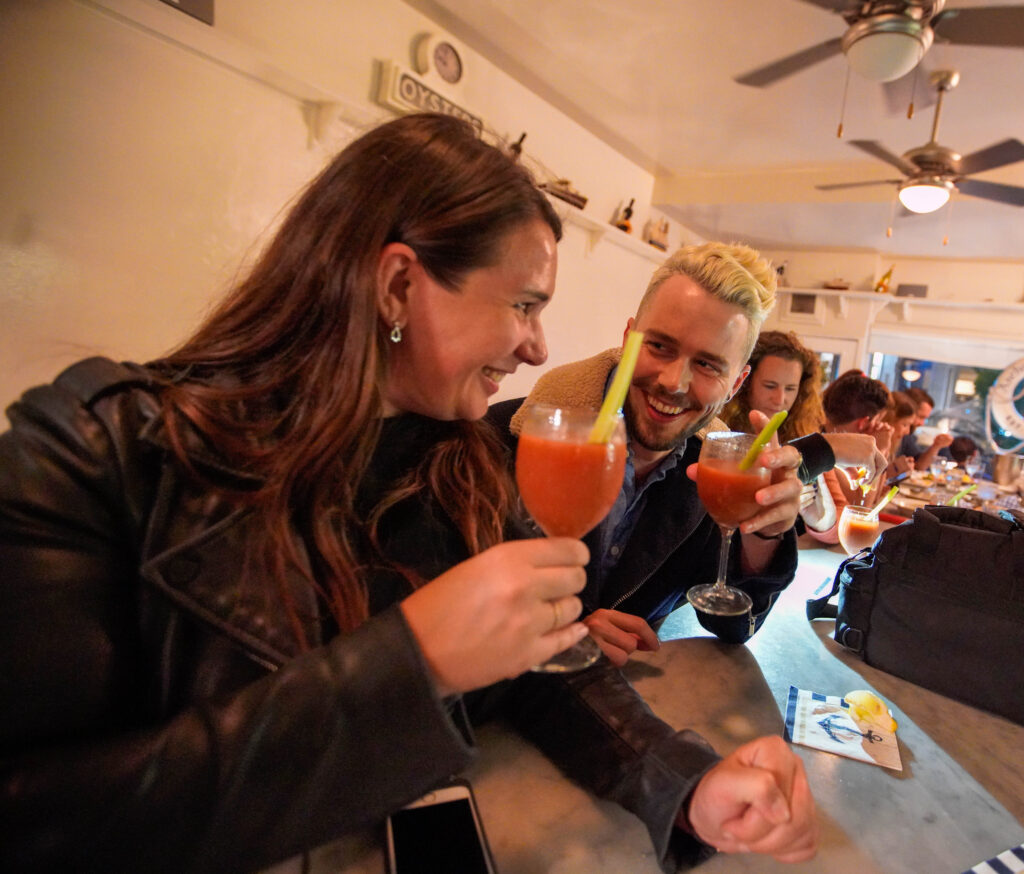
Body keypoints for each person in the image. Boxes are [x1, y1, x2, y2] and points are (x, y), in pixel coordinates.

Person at [0, 115, 817, 872]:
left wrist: (686, 786)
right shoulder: (93, 452)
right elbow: (35, 816)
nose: (537, 347)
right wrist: (411, 660)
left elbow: (548, 672)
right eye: (525, 306)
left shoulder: (461, 467)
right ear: (397, 287)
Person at [491, 243, 821, 665]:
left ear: (736, 384)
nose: (673, 381)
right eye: (660, 347)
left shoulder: (711, 474)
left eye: (707, 365)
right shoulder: (501, 440)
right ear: (629, 338)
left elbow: (735, 626)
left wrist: (765, 533)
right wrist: (562, 629)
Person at [723, 330, 845, 545]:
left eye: (790, 389)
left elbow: (839, 526)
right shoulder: (720, 433)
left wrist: (820, 519)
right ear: (745, 382)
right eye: (770, 386)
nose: (780, 399)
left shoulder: (806, 439)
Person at [821, 370, 894, 511]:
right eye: (879, 420)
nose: (881, 426)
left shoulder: (824, 436)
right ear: (864, 422)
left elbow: (875, 498)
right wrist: (880, 449)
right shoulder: (830, 451)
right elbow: (861, 508)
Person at [901, 386, 954, 470]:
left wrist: (937, 445)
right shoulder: (887, 431)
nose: (921, 424)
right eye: (920, 417)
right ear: (907, 409)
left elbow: (919, 466)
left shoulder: (907, 436)